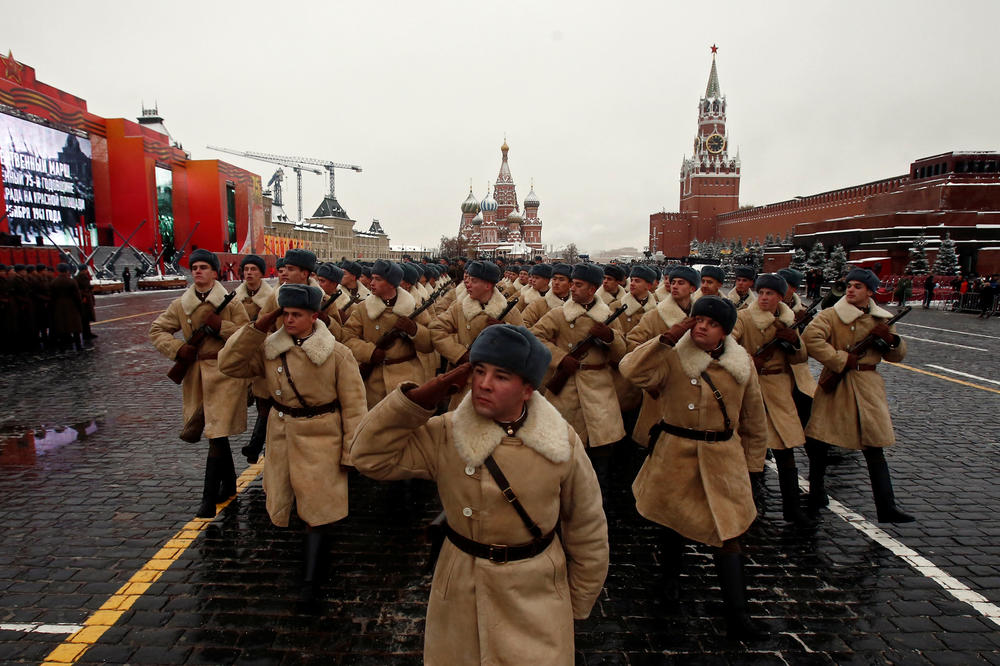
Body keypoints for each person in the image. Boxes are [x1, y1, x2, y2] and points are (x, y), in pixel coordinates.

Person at [351, 325, 609, 664]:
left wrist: (572, 603)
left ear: (528, 389)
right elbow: (368, 456)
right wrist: (430, 392)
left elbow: (587, 527)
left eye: (501, 376)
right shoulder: (447, 433)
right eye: (479, 371)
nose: (484, 384)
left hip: (535, 592)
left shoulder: (561, 442)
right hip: (460, 588)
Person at [618, 296, 767, 639]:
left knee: (728, 533)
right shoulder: (672, 356)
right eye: (698, 319)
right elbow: (631, 370)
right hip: (675, 451)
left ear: (725, 333)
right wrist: (665, 339)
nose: (702, 326)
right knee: (672, 524)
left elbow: (754, 419)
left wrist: (753, 465)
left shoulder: (741, 364)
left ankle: (738, 613)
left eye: (712, 323)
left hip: (722, 456)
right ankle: (669, 581)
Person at [219, 283, 367, 592]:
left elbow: (354, 407)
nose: (288, 320)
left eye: (296, 314)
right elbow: (229, 364)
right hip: (282, 433)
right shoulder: (270, 349)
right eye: (285, 314)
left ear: (315, 316)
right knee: (291, 501)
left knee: (318, 508)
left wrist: (351, 452)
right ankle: (312, 563)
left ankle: (313, 577)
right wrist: (256, 328)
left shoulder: (338, 354)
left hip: (321, 435)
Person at [802, 268, 913, 523]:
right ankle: (816, 491)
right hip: (837, 383)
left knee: (874, 446)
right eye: (849, 285)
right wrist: (841, 359)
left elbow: (896, 355)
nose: (851, 290)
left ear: (870, 292)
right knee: (819, 441)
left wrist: (891, 340)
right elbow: (812, 338)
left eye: (858, 287)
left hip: (867, 386)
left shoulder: (880, 319)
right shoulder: (831, 315)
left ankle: (886, 506)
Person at [149, 249, 249, 518]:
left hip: (225, 372)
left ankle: (207, 499)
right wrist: (178, 349)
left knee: (215, 431)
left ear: (215, 273)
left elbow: (247, 334)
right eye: (194, 267)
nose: (198, 271)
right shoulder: (182, 304)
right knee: (217, 432)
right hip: (196, 375)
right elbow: (157, 330)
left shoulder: (231, 303)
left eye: (204, 267)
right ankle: (228, 486)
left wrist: (221, 327)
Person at [531, 263, 626, 490]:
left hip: (600, 389)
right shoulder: (559, 314)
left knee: (599, 457)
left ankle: (595, 501)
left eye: (578, 284)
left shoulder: (609, 316)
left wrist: (610, 336)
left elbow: (623, 352)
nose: (572, 288)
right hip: (567, 389)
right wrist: (561, 358)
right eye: (572, 283)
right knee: (563, 451)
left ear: (593, 289)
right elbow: (535, 337)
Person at [731, 273, 812, 525]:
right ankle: (745, 508)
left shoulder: (788, 321)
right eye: (762, 292)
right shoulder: (743, 316)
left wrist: (795, 342)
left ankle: (793, 508)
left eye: (771, 294)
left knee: (786, 450)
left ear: (780, 297)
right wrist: (748, 359)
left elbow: (800, 358)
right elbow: (728, 343)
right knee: (748, 449)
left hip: (779, 389)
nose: (764, 298)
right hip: (749, 387)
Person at [429, 261, 523, 408]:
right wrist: (460, 354)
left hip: (497, 385)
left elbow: (525, 346)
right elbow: (436, 328)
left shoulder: (509, 311)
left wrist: (505, 330)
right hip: (465, 380)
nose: (468, 284)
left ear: (488, 285)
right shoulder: (459, 308)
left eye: (474, 281)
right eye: (468, 279)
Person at [342, 260, 434, 408]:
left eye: (378, 279)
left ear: (392, 283)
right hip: (374, 380)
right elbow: (347, 337)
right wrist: (370, 352)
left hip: (408, 378)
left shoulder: (412, 307)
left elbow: (429, 344)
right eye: (372, 278)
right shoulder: (363, 309)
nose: (372, 283)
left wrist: (414, 330)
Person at [626, 265, 700, 450]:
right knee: (656, 443)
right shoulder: (654, 316)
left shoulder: (701, 317)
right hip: (661, 386)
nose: (674, 286)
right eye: (673, 282)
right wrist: (651, 378)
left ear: (692, 289)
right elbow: (633, 345)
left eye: (681, 283)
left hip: (692, 386)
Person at [234, 254, 275, 464]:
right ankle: (257, 445)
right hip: (243, 356)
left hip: (266, 355)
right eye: (246, 269)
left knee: (268, 404)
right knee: (262, 404)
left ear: (262, 273)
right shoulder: (234, 298)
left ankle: (258, 446)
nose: (249, 273)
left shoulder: (271, 297)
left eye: (253, 269)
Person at [521, 263, 571, 328]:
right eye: (554, 279)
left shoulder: (578, 305)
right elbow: (523, 323)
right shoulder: (537, 303)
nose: (556, 283)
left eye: (561, 280)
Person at [75, 268, 97, 341]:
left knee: (85, 318)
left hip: (85, 298)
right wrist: (85, 295)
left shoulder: (78, 277)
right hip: (85, 299)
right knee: (85, 317)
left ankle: (87, 333)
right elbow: (84, 287)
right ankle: (86, 334)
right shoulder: (83, 277)